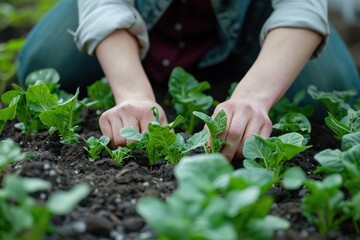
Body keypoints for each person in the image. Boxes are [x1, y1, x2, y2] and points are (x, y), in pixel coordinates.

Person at [17, 0, 360, 161]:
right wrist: (133, 94)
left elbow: (301, 8)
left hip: (250, 23)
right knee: (44, 64)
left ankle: (240, 70)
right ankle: (139, 64)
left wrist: (253, 98)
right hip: (141, 16)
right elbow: (103, 5)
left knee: (330, 89)